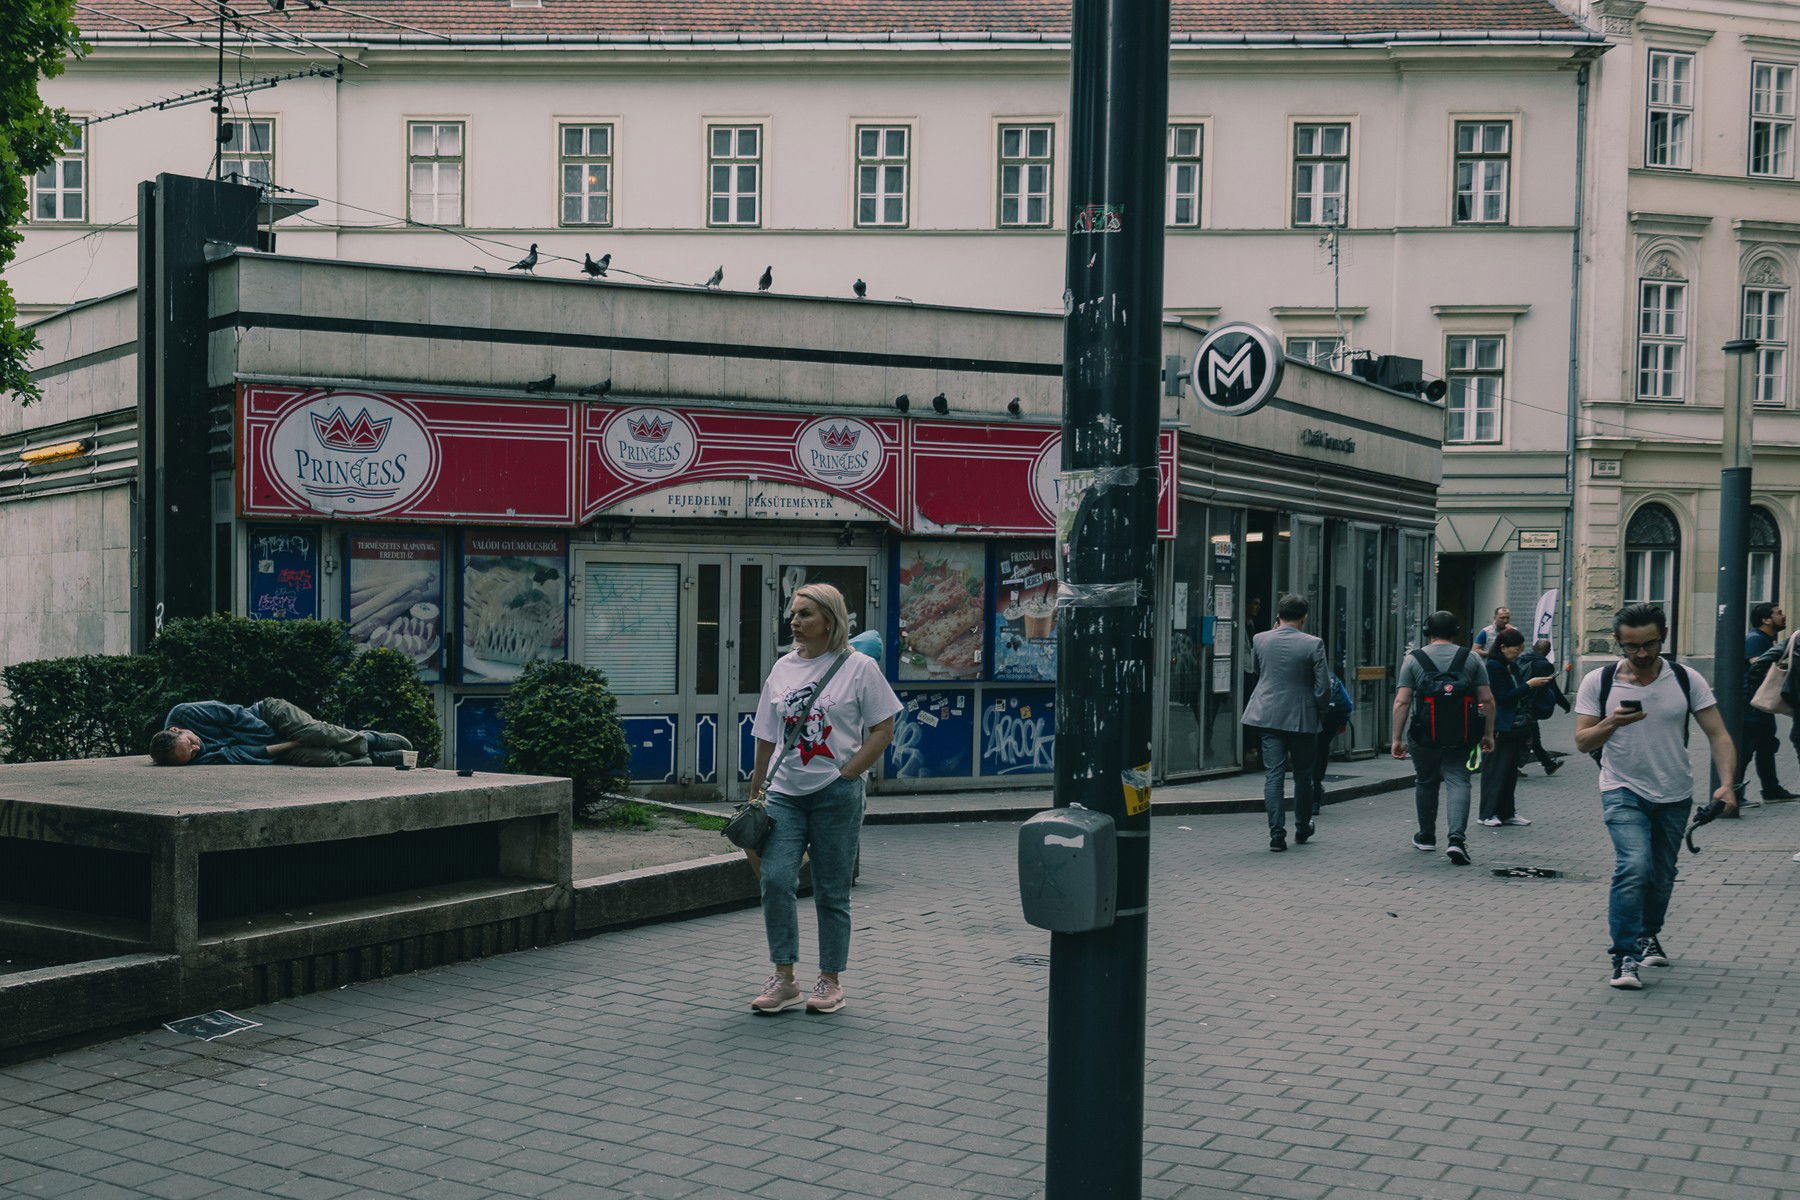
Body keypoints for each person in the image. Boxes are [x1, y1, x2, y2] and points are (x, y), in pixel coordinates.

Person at [747, 582, 901, 1016]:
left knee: (832, 891)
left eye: (805, 614)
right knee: (776, 879)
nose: (794, 621)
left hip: (836, 795)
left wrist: (848, 773)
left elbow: (883, 730)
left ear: (830, 620)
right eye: (793, 614)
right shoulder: (782, 669)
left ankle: (830, 980)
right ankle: (784, 977)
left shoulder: (860, 667)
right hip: (784, 793)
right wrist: (757, 787)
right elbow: (765, 734)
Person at [1574, 604, 1737, 990]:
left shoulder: (1685, 678)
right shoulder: (1599, 681)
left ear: (1664, 635)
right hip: (1622, 788)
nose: (1642, 654)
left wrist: (1727, 783)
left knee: (1661, 876)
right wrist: (1611, 721)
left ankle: (1648, 934)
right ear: (1619, 642)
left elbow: (1719, 734)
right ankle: (1624, 957)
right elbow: (1582, 742)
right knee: (1634, 866)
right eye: (1632, 646)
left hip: (1674, 793)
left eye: (1650, 644)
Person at [1391, 611, 1495, 866]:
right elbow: (1487, 699)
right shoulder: (1470, 658)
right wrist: (1488, 734)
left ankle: (1426, 836)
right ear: (1456, 631)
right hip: (1462, 733)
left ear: (1428, 632)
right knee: (1459, 781)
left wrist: (1396, 738)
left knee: (1426, 781)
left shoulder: (1413, 660)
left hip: (1424, 734)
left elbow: (1402, 701)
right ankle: (1457, 839)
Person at [1240, 593, 1328, 852]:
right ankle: (1302, 826)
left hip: (1267, 713)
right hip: (1302, 716)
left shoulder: (1260, 639)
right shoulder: (1314, 644)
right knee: (1303, 775)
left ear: (1278, 614)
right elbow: (1323, 687)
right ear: (1304, 617)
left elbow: (1258, 671)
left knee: (1273, 775)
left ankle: (1276, 833)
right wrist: (1319, 712)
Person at [149, 699, 412, 767]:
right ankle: (376, 759)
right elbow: (242, 754)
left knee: (314, 731)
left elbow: (236, 715)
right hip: (274, 746)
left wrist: (282, 737)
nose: (197, 749)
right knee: (319, 758)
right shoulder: (195, 757)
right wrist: (288, 745)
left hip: (267, 716)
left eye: (191, 743)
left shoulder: (186, 713)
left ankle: (370, 740)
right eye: (191, 756)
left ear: (176, 729)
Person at [1478, 628, 1554, 827]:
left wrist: (1532, 687)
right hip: (1499, 723)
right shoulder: (1494, 667)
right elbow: (1503, 697)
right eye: (1516, 649)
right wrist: (1529, 685)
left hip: (1515, 723)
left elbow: (1518, 692)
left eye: (1521, 650)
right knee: (1495, 769)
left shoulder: (1512, 666)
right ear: (1503, 647)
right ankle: (1487, 813)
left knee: (1509, 770)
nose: (1518, 653)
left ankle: (1507, 812)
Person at [1740, 603, 1795, 807]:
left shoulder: (1765, 639)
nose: (1783, 616)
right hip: (1751, 704)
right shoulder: (1755, 639)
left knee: (1766, 745)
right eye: (1778, 613)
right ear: (1766, 620)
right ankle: (1735, 792)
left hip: (1760, 704)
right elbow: (1759, 667)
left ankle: (1771, 790)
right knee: (1747, 749)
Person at [1517, 638, 1571, 775]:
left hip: (1519, 702)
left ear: (1534, 647)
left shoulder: (1521, 660)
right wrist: (1565, 704)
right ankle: (1515, 767)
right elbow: (1553, 688)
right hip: (1532, 705)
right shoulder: (1544, 665)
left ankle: (1548, 764)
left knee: (1531, 736)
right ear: (1547, 651)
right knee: (1533, 737)